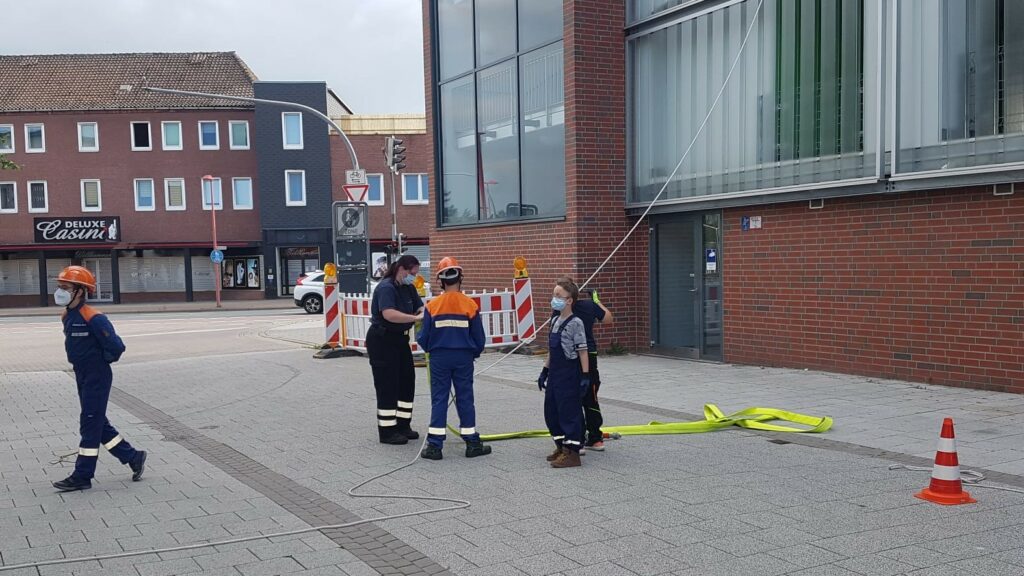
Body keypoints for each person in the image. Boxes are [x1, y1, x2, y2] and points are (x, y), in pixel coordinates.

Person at [52, 265, 146, 492]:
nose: (60, 291)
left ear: (80, 292)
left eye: (66, 287)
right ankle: (133, 457)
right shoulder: (67, 315)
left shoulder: (94, 317)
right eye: (60, 286)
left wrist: (101, 361)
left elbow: (116, 346)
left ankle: (82, 475)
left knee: (89, 423)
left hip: (97, 375)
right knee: (98, 423)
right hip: (81, 374)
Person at [416, 257, 490, 460]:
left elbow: (423, 337)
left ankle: (434, 447)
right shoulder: (470, 305)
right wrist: (472, 353)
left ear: (441, 280)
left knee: (439, 398)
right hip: (463, 357)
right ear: (460, 277)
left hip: (439, 357)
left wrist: (432, 349)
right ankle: (472, 443)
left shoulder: (433, 305)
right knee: (465, 397)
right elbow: (479, 338)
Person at [367, 254, 425, 444]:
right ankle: (387, 430)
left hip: (400, 341)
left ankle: (403, 425)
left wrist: (421, 313)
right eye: (412, 273)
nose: (414, 277)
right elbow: (389, 314)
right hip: (383, 340)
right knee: (387, 385)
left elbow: (420, 308)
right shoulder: (386, 288)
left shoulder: (407, 288)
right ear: (402, 269)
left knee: (407, 382)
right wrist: (415, 319)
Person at [536, 277, 590, 468]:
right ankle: (561, 447)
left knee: (569, 412)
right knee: (552, 411)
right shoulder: (554, 320)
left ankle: (573, 453)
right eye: (554, 295)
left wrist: (585, 376)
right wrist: (544, 370)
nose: (554, 298)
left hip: (569, 373)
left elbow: (583, 351)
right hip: (555, 373)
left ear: (569, 300)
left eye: (559, 295)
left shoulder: (576, 323)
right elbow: (552, 350)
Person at [563, 287, 613, 453]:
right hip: (589, 356)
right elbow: (608, 318)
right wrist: (597, 301)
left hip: (570, 356)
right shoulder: (590, 306)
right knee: (591, 397)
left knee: (573, 397)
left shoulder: (562, 309)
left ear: (569, 297)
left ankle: (578, 438)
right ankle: (595, 438)